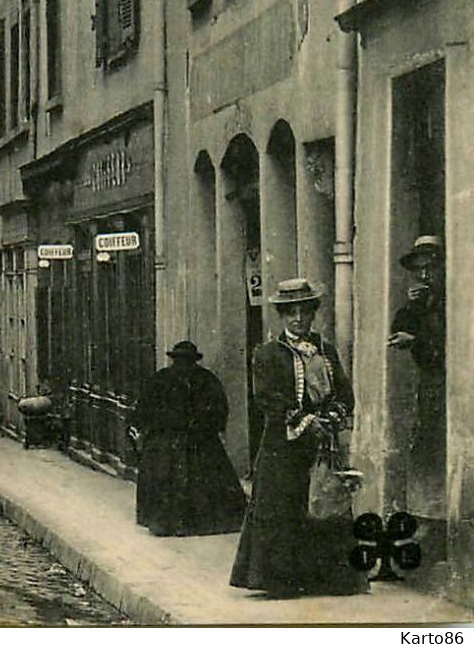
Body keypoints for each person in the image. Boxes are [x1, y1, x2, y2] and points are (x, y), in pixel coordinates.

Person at [230, 279, 367, 597]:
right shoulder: (268, 353)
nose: (298, 320)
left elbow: (344, 392)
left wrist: (331, 418)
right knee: (284, 507)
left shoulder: (326, 350)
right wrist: (305, 421)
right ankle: (282, 581)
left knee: (324, 502)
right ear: (282, 316)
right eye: (291, 313)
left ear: (312, 314)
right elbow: (267, 397)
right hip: (283, 445)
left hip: (322, 443)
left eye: (304, 312)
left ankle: (327, 579)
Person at [129, 341, 243, 536]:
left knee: (169, 479)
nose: (183, 365)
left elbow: (143, 411)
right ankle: (182, 523)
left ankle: (170, 523)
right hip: (191, 440)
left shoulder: (164, 378)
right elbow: (219, 412)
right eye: (181, 360)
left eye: (186, 361)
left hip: (178, 441)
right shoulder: (204, 379)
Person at [388, 234, 447, 522]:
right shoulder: (423, 302)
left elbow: (451, 347)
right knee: (429, 451)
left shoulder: (453, 300)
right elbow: (397, 330)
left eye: (430, 268)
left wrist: (417, 342)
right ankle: (431, 516)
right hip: (431, 389)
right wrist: (411, 308)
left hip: (452, 390)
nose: (424, 275)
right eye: (419, 270)